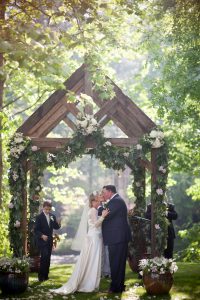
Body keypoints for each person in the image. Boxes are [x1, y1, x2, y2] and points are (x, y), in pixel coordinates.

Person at [50, 192, 109, 295]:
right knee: (93, 260)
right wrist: (103, 216)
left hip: (95, 236)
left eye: (98, 200)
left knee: (93, 260)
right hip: (94, 237)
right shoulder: (92, 211)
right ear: (92, 201)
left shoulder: (93, 210)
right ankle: (89, 283)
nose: (98, 201)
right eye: (96, 200)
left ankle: (92, 282)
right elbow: (95, 224)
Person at [100, 185, 131, 293]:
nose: (103, 194)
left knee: (115, 263)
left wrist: (99, 205)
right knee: (118, 263)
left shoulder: (115, 202)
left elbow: (105, 215)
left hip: (117, 237)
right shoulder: (116, 200)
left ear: (109, 191)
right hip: (119, 237)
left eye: (104, 192)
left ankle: (115, 287)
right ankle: (119, 286)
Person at [34, 200, 61, 282]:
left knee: (48, 258)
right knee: (44, 257)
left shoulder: (52, 216)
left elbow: (56, 227)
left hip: (49, 240)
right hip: (42, 240)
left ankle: (46, 275)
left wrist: (59, 223)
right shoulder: (39, 217)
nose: (47, 211)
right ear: (43, 208)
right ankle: (41, 276)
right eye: (46, 209)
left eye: (49, 209)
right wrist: (42, 235)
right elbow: (36, 230)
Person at [98, 194, 111, 278]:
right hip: (99, 232)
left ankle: (106, 271)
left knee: (106, 252)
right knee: (101, 252)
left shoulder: (105, 206)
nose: (103, 197)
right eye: (101, 196)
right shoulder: (98, 208)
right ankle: (102, 271)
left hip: (105, 232)